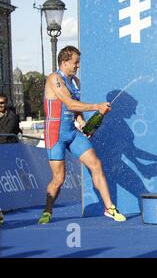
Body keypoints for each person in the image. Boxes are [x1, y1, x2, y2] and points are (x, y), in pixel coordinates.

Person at [38, 46, 126, 224]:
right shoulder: (54, 79)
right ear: (64, 62)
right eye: (75, 62)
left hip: (72, 132)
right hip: (55, 134)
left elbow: (77, 110)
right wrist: (96, 106)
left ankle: (109, 208)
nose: (77, 66)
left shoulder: (76, 81)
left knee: (96, 164)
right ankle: (47, 210)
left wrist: (85, 125)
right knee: (59, 178)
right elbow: (69, 104)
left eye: (78, 62)